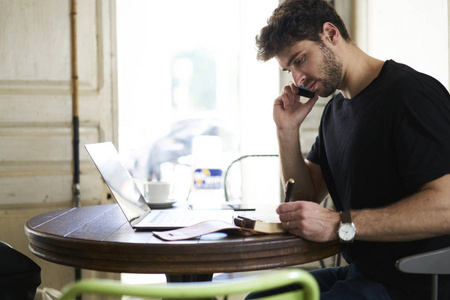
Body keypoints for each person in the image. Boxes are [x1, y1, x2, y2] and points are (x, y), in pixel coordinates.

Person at [248, 0, 450, 299]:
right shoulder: (335, 112)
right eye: (289, 69)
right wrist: (286, 130)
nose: (297, 79)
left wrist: (340, 223)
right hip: (364, 274)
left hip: (414, 281)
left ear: (330, 34)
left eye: (300, 59)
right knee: (259, 298)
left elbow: (446, 207)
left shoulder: (410, 94)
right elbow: (305, 196)